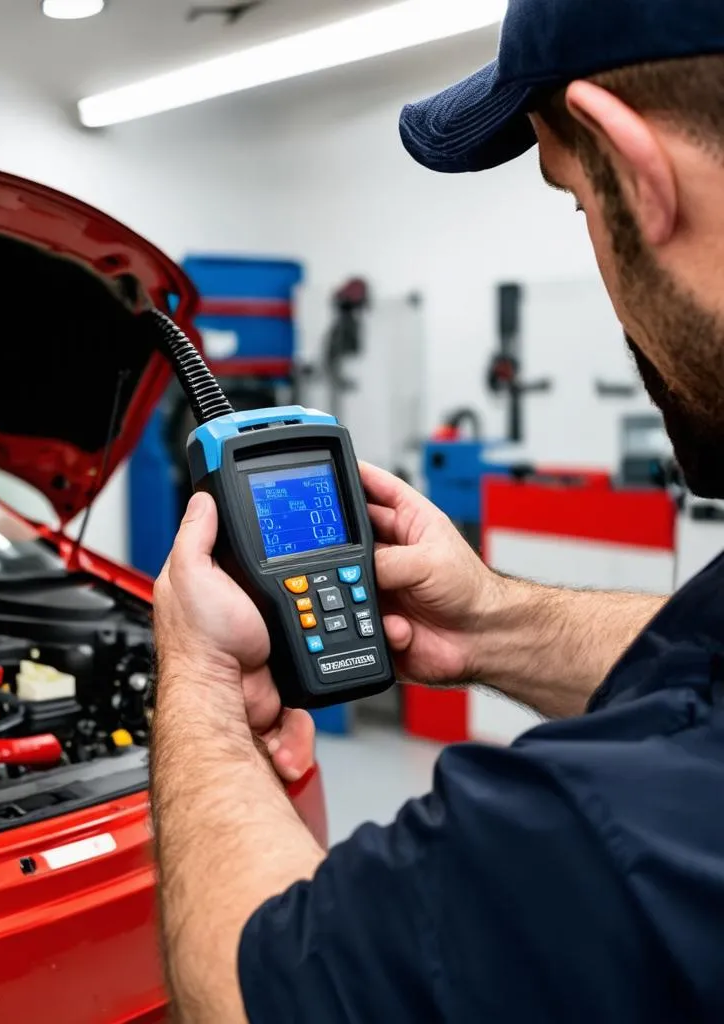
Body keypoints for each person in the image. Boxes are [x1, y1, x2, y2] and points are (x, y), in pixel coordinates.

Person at [151, 0, 724, 1020]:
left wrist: (194, 683)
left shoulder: (606, 838)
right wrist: (496, 617)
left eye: (573, 199)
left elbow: (248, 991)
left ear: (640, 176)